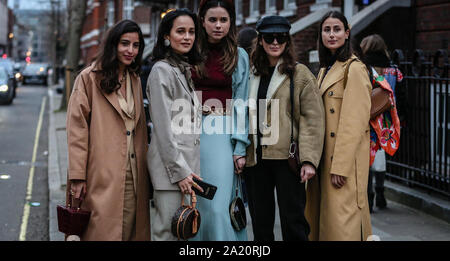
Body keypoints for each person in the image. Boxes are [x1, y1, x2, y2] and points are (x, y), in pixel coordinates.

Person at [66, 20, 150, 241]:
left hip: (134, 174)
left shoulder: (135, 79)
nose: (131, 50)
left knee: (131, 232)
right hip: (101, 174)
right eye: (125, 43)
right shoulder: (88, 78)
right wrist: (77, 176)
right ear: (113, 44)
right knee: (101, 232)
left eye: (136, 45)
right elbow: (77, 130)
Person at [244, 15, 325, 241]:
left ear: (288, 41)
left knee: (294, 222)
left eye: (281, 37)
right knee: (260, 222)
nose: (275, 42)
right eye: (270, 37)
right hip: (256, 158)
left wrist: (309, 160)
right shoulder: (250, 74)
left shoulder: (299, 74)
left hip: (287, 159)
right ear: (260, 40)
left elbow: (312, 119)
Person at [305, 11, 373, 241]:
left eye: (336, 29)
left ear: (347, 33)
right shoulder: (325, 69)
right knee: (324, 227)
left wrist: (341, 167)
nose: (331, 34)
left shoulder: (354, 69)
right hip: (324, 160)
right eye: (327, 30)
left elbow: (353, 124)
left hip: (341, 165)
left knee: (342, 229)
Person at [190, 0, 250, 241]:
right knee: (195, 204)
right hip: (190, 133)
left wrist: (240, 146)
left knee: (217, 205)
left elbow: (242, 104)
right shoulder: (189, 52)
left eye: (223, 20)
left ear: (231, 22)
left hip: (222, 134)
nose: (218, 25)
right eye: (212, 20)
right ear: (202, 21)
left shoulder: (239, 55)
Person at [146, 8, 204, 241]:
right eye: (180, 31)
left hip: (185, 171)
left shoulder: (182, 69)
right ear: (166, 37)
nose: (187, 37)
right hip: (171, 172)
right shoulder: (161, 71)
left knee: (181, 235)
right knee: (167, 235)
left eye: (191, 31)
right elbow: (163, 129)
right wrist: (180, 173)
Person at [360, 34, 403, 212]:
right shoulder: (394, 71)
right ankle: (381, 195)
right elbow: (402, 98)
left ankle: (368, 198)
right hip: (387, 121)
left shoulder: (363, 69)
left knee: (367, 158)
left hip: (367, 120)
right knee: (381, 155)